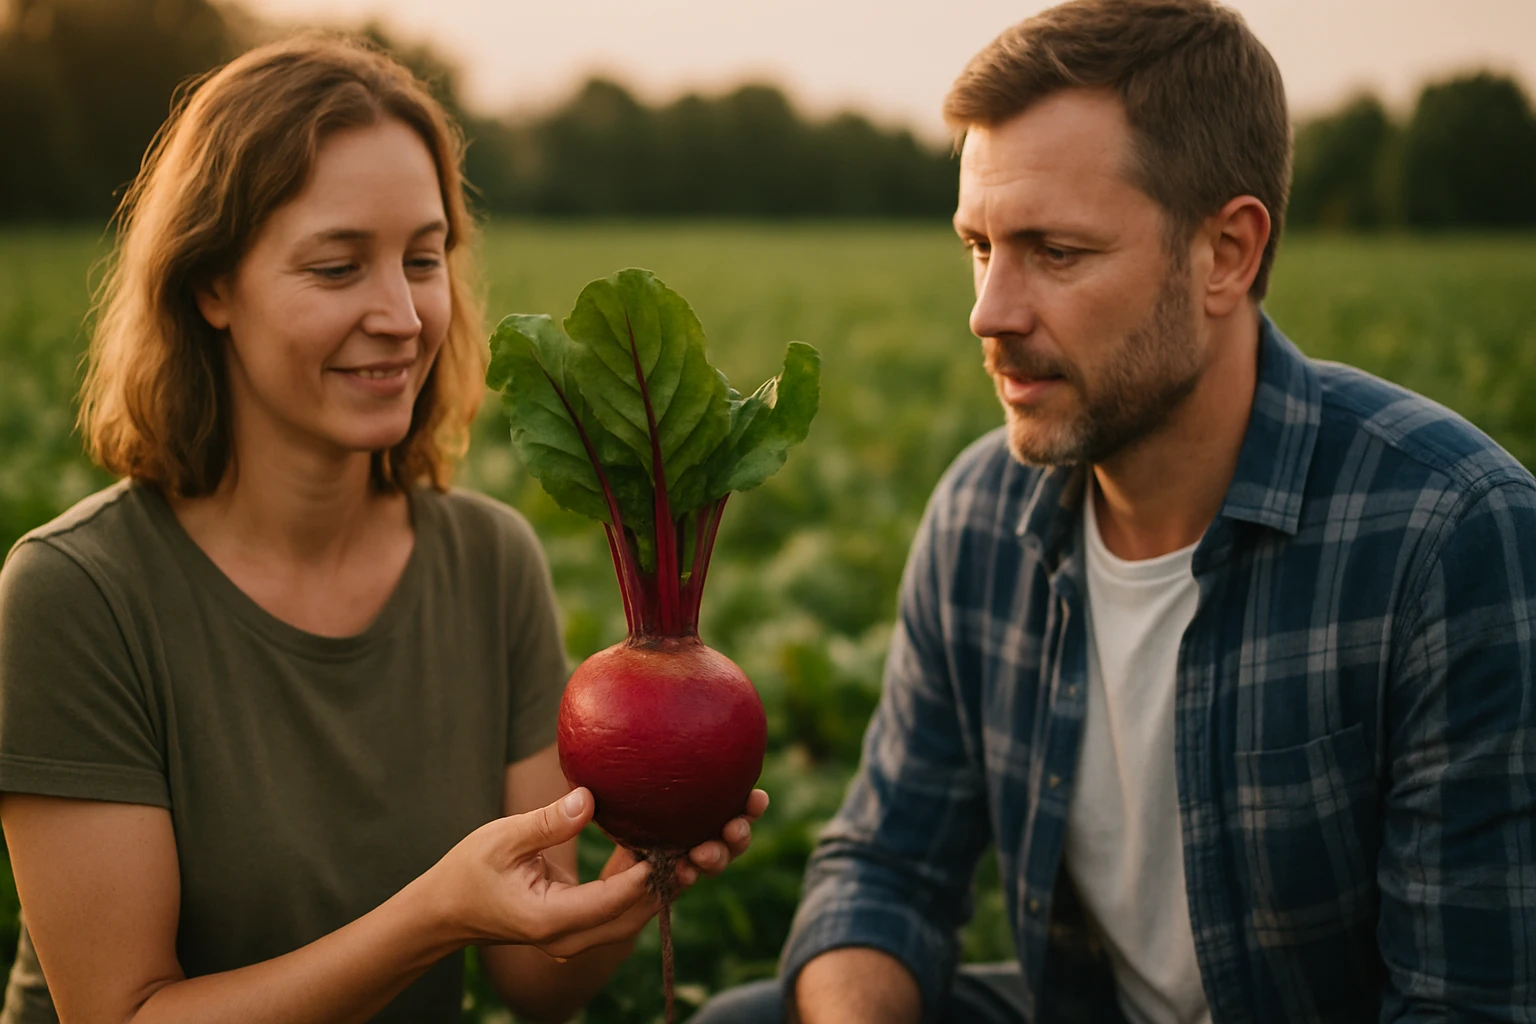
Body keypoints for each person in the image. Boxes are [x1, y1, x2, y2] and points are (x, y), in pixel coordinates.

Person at [694, 1, 1536, 1022]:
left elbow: (1468, 1000)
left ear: (1227, 253)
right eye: (978, 246)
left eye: (1055, 251)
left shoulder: (1447, 534)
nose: (989, 312)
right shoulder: (977, 516)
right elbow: (885, 868)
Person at [0, 35, 765, 1024]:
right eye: (336, 266)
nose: (402, 314)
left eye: (423, 257)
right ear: (211, 286)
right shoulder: (79, 592)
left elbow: (535, 980)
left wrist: (638, 873)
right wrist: (436, 914)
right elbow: (123, 1012)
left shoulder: (490, 562)